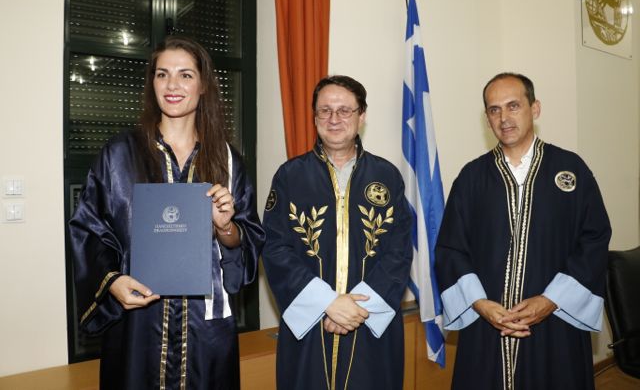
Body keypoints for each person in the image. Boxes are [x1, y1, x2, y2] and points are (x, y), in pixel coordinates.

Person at [69, 36, 265, 390]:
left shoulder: (227, 160)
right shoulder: (119, 155)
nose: (172, 85)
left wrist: (225, 228)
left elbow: (247, 240)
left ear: (203, 85)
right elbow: (89, 230)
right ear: (153, 83)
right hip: (139, 323)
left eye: (185, 75)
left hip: (205, 329)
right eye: (162, 74)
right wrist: (112, 281)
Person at [435, 72, 611, 390]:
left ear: (535, 108)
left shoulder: (571, 170)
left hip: (555, 324)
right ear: (487, 118)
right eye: (494, 109)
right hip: (488, 325)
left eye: (513, 106)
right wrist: (479, 303)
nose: (504, 118)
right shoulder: (471, 177)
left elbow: (595, 239)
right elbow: (450, 248)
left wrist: (551, 299)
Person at [262, 75, 413, 390]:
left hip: (370, 325)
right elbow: (275, 248)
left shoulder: (387, 176)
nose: (334, 119)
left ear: (362, 116)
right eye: (325, 110)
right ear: (314, 116)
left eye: (345, 110)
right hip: (310, 327)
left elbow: (399, 252)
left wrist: (356, 309)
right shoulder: (289, 176)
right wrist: (327, 303)